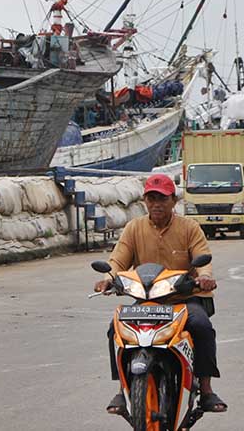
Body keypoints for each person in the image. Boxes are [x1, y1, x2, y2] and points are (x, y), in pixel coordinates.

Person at [94, 174, 227, 416]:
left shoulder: (189, 228)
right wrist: (108, 278)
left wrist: (204, 276)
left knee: (201, 326)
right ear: (145, 201)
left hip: (182, 300)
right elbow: (118, 261)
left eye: (162, 199)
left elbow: (203, 258)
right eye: (151, 198)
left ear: (173, 200)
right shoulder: (134, 228)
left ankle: (206, 390)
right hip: (147, 300)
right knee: (115, 329)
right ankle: (123, 388)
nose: (156, 204)